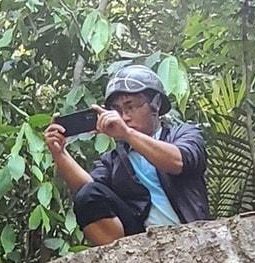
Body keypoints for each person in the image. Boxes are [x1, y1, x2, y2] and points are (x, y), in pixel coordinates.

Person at [43, 64, 209, 246]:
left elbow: (178, 161)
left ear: (156, 104)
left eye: (130, 107)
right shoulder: (115, 159)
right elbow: (88, 191)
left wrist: (127, 134)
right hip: (141, 241)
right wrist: (59, 153)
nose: (124, 116)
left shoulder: (184, 134)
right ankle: (119, 261)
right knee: (88, 196)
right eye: (118, 110)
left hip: (190, 235)